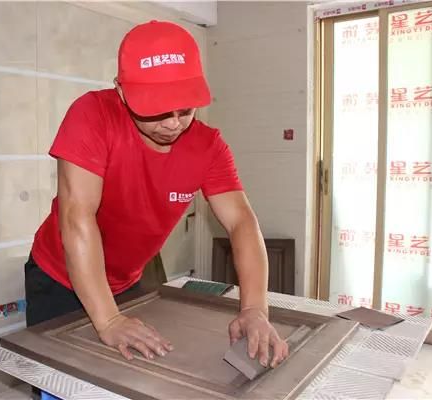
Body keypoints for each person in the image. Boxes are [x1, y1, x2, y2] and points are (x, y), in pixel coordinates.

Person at [25, 20, 289, 369]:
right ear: (121, 91)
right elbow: (77, 216)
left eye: (186, 109)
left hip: (128, 280)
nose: (173, 124)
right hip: (58, 277)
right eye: (157, 110)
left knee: (130, 373)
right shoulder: (93, 116)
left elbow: (241, 221)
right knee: (60, 376)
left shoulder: (208, 147)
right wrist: (108, 320)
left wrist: (254, 309)